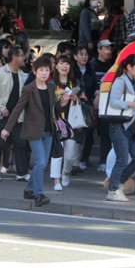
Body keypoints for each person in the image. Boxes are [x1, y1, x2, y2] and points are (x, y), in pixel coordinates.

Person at [1, 56, 58, 207]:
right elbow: (17, 109)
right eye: (41, 70)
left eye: (47, 70)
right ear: (34, 71)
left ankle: (29, 189)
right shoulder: (29, 89)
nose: (44, 73)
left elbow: (53, 108)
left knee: (43, 163)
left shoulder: (51, 87)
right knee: (40, 162)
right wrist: (7, 128)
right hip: (33, 131)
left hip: (49, 130)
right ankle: (38, 194)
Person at [106, 54, 135, 202]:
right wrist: (131, 104)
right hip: (119, 125)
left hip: (132, 126)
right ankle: (113, 190)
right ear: (129, 67)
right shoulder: (120, 81)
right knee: (121, 159)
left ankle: (117, 183)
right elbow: (113, 102)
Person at [0, 46, 29, 182]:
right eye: (22, 55)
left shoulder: (22, 75)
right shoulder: (0, 73)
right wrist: (2, 107)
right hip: (1, 114)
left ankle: (22, 172)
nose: (24, 58)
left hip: (17, 115)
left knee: (20, 142)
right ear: (14, 57)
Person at [52, 55, 86, 189]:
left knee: (70, 155)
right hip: (56, 122)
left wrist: (76, 98)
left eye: (67, 63)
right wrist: (58, 99)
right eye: (61, 63)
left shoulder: (76, 82)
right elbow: (46, 102)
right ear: (56, 66)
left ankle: (66, 172)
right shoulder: (51, 83)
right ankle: (56, 179)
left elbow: (85, 101)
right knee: (57, 153)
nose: (64, 66)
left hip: (71, 122)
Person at [73, 45, 97, 170]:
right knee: (75, 133)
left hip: (86, 106)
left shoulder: (90, 69)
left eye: (86, 55)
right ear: (75, 56)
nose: (84, 57)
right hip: (73, 105)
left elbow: (94, 87)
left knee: (86, 134)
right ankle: (73, 162)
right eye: (81, 54)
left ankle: (80, 160)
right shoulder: (71, 69)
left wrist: (97, 95)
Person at [92, 39, 114, 172]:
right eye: (106, 48)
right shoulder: (92, 66)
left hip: (106, 103)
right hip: (94, 101)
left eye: (110, 49)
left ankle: (103, 160)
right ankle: (82, 160)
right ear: (99, 50)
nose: (108, 51)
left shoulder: (111, 67)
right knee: (90, 132)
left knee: (106, 132)